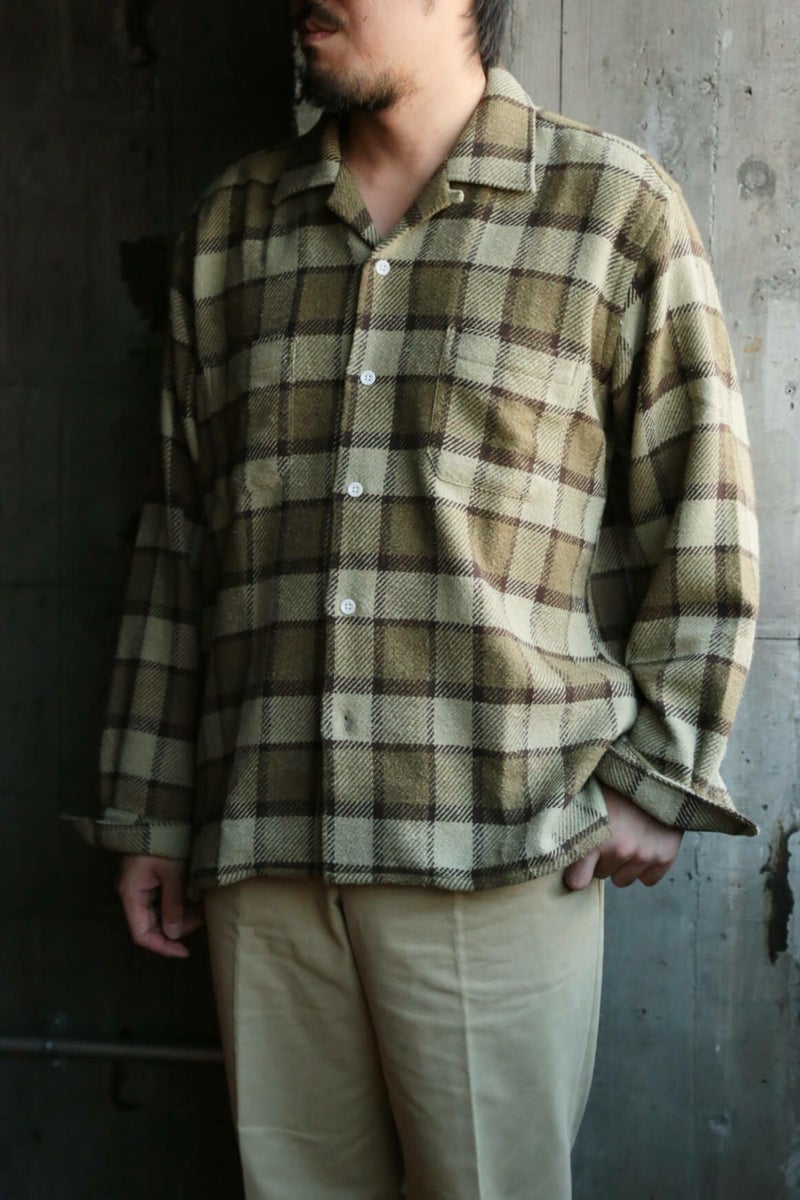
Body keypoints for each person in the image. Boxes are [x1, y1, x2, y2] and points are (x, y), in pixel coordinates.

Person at [66, 1, 759, 1196]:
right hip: (265, 846)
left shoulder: (609, 212)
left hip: (498, 848)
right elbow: (179, 537)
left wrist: (659, 772)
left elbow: (700, 509)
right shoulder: (233, 226)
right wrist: (148, 805)